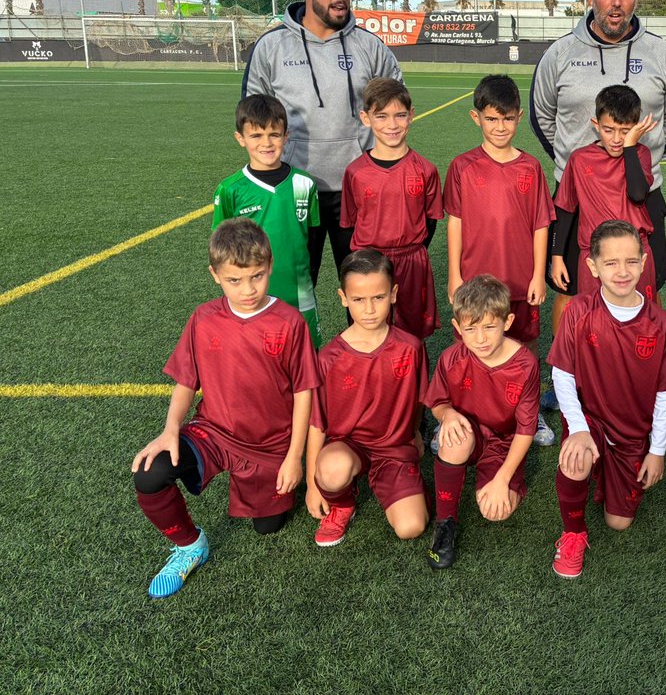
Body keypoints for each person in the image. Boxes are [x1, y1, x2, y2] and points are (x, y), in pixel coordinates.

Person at [131, 219, 318, 598]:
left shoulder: (289, 322)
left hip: (269, 445)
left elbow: (304, 393)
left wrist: (293, 458)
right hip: (213, 432)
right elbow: (187, 381)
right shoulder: (203, 318)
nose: (248, 290)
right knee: (150, 473)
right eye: (235, 280)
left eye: (257, 276)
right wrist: (170, 429)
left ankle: (266, 487)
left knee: (268, 526)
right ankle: (190, 546)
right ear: (215, 275)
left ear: (270, 266)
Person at [530, 0, 666, 307]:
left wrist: (646, 157)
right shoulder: (559, 54)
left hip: (642, 193)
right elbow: (542, 118)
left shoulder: (661, 53)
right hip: (579, 195)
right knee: (570, 293)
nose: (616, 2)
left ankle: (641, 346)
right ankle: (569, 349)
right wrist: (575, 161)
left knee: (646, 288)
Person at [242, 0, 404, 286]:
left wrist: (386, 172)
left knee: (366, 287)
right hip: (293, 189)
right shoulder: (271, 47)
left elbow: (395, 110)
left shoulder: (370, 46)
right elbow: (253, 117)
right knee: (293, 287)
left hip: (358, 189)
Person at [548, 220, 666, 579]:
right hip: (590, 419)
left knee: (619, 522)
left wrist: (657, 451)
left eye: (630, 261)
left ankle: (609, 470)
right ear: (593, 267)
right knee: (576, 459)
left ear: (644, 262)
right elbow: (562, 375)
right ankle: (574, 533)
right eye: (610, 263)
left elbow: (665, 393)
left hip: (631, 431)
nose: (622, 271)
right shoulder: (578, 311)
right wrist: (578, 428)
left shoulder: (660, 323)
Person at [443, 74, 556, 446]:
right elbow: (455, 222)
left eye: (507, 118)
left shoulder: (531, 167)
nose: (500, 127)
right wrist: (454, 275)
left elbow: (541, 224)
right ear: (476, 118)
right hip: (475, 282)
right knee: (470, 347)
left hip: (521, 280)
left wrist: (538, 275)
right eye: (491, 119)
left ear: (519, 117)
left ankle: (530, 413)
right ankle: (460, 416)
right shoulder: (462, 166)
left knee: (526, 345)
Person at [305, 249, 428, 548]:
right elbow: (318, 423)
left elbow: (418, 401)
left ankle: (394, 481)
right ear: (343, 298)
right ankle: (344, 503)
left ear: (393, 294)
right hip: (348, 446)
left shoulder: (411, 348)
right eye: (359, 299)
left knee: (411, 527)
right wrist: (312, 483)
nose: (369, 309)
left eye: (379, 297)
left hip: (394, 448)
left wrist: (415, 435)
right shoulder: (328, 358)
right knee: (333, 469)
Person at [423, 275, 540, 570]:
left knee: (495, 510)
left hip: (504, 441)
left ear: (507, 321)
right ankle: (445, 522)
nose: (480, 338)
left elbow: (526, 430)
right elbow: (438, 403)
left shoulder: (526, 364)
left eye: (489, 327)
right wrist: (447, 415)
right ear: (457, 327)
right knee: (455, 438)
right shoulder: (451, 358)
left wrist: (502, 479)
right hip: (469, 431)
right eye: (471, 329)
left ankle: (495, 477)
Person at [212, 95, 321, 344]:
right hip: (251, 294)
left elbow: (313, 240)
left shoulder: (305, 183)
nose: (267, 143)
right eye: (256, 135)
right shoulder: (230, 190)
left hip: (298, 291)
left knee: (306, 354)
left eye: (274, 134)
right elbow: (221, 248)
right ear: (240, 138)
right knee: (255, 354)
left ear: (286, 136)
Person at [341, 78, 443, 342]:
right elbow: (350, 224)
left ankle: (416, 371)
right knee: (370, 332)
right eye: (382, 116)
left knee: (413, 336)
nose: (392, 124)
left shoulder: (426, 170)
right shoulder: (355, 172)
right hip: (369, 263)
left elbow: (430, 221)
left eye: (399, 115)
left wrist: (410, 250)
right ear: (366, 118)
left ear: (411, 115)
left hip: (412, 261)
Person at [550, 85, 657, 306]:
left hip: (634, 254)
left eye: (625, 131)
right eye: (608, 130)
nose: (616, 139)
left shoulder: (640, 154)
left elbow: (638, 194)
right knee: (594, 319)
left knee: (639, 318)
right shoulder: (579, 159)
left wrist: (630, 147)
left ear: (636, 129)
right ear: (596, 124)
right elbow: (566, 209)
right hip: (594, 256)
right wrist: (557, 256)